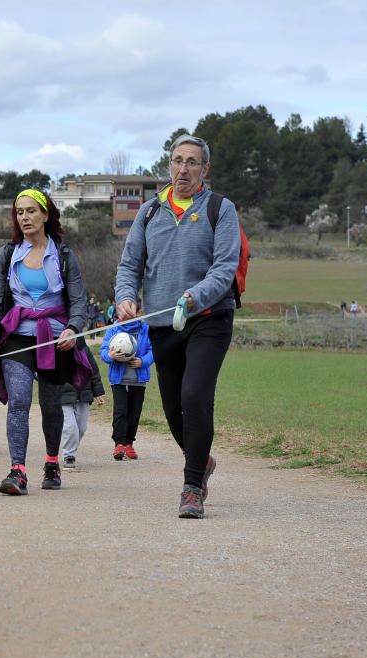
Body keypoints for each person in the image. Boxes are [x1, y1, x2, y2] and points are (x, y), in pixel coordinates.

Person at [115, 134, 240, 519]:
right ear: (168, 165)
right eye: (177, 160)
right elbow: (129, 264)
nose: (183, 168)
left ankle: (191, 488)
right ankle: (201, 461)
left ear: (205, 169)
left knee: (194, 396)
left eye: (191, 162)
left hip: (208, 318)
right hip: (161, 323)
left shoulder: (221, 209)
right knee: (172, 409)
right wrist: (125, 296)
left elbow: (224, 267)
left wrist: (195, 296)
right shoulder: (150, 211)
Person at [0, 189, 91, 495]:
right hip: (17, 338)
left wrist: (72, 328)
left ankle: (52, 463)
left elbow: (78, 302)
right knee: (18, 402)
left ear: (45, 214)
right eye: (19, 212)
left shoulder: (65, 256)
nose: (25, 217)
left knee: (52, 405)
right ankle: (17, 471)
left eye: (31, 211)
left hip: (56, 340)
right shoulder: (6, 254)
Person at [99, 312, 154, 461]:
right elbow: (103, 350)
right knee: (120, 411)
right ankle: (119, 444)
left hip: (139, 379)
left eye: (133, 309)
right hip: (119, 379)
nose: (128, 312)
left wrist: (142, 361)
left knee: (134, 412)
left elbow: (153, 350)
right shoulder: (114, 329)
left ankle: (129, 443)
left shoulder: (145, 328)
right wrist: (110, 356)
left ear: (139, 312)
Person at [59, 346, 106, 468]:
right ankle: (69, 455)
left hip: (83, 393)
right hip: (62, 394)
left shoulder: (83, 347)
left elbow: (93, 370)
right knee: (70, 427)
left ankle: (71, 449)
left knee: (81, 428)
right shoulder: (55, 345)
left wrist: (97, 392)